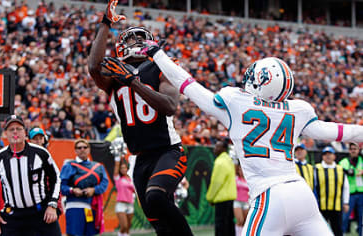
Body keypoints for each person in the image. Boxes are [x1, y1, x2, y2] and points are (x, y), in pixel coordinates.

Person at [103, 45, 363, 235]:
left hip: (270, 196)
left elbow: (189, 86)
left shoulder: (236, 101)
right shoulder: (298, 109)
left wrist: (157, 54)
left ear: (260, 81)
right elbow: (340, 132)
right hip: (302, 194)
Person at [88, 1, 193, 235]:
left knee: (155, 195)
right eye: (129, 39)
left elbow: (169, 106)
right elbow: (93, 67)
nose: (134, 42)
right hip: (139, 159)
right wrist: (106, 23)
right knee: (158, 224)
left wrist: (133, 82)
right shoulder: (114, 77)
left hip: (168, 151)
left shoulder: (161, 68)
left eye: (139, 39)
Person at [0, 115, 61, 236]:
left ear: (25, 132)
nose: (15, 132)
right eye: (11, 129)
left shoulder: (40, 153)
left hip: (40, 212)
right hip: (13, 215)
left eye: (18, 129)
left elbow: (55, 177)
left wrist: (52, 204)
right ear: (5, 134)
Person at [60, 139, 109, 236]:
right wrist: (72, 190)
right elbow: (61, 186)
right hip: (74, 207)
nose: (82, 149)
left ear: (89, 149)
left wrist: (94, 190)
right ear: (75, 150)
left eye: (85, 147)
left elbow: (104, 183)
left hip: (90, 207)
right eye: (79, 148)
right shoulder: (69, 166)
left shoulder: (98, 167)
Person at [314, 146, 349, 236]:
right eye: (325, 154)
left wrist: (345, 202)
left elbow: (345, 187)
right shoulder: (317, 169)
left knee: (337, 230)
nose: (328, 156)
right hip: (321, 206)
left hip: (336, 206)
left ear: (334, 156)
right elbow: (313, 186)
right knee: (320, 230)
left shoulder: (340, 169)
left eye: (330, 154)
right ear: (322, 156)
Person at [206, 139, 236, 236]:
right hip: (230, 198)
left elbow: (216, 182)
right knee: (229, 226)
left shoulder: (220, 162)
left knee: (221, 226)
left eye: (217, 146)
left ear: (223, 149)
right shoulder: (229, 160)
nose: (215, 148)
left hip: (221, 199)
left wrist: (210, 198)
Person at [339, 142, 363, 235]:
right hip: (349, 194)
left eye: (355, 149)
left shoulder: (362, 160)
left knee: (361, 217)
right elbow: (340, 171)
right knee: (345, 216)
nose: (353, 151)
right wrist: (349, 172)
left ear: (358, 150)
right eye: (351, 149)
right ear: (349, 150)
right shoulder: (344, 161)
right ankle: (342, 233)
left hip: (361, 193)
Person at [113, 155, 135, 236]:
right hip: (121, 204)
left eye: (124, 168)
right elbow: (116, 168)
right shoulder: (118, 179)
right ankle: (120, 234)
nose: (123, 169)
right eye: (121, 168)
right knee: (124, 226)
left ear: (127, 169)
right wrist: (118, 158)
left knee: (128, 227)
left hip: (130, 204)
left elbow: (135, 191)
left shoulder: (130, 179)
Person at [233, 161, 249, 236]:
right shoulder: (235, 178)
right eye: (239, 169)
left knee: (245, 222)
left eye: (242, 169)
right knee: (240, 220)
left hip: (246, 202)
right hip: (237, 202)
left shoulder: (248, 180)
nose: (241, 171)